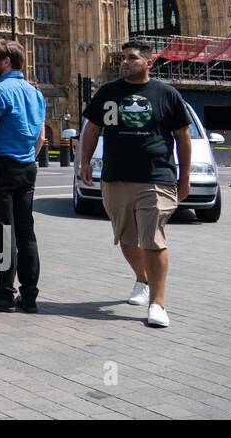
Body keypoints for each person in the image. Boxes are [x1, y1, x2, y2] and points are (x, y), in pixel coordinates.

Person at [79, 39, 191, 328]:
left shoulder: (166, 94)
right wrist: (85, 162)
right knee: (127, 239)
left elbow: (182, 136)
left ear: (148, 62)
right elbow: (92, 128)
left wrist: (185, 177)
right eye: (122, 58)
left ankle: (158, 303)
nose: (124, 62)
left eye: (131, 58)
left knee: (153, 238)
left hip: (156, 176)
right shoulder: (108, 93)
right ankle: (141, 279)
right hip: (116, 176)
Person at [0, 39, 46, 313]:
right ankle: (29, 296)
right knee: (26, 233)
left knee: (2, 233)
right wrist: (28, 157)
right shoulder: (35, 93)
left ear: (6, 62)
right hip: (27, 168)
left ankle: (3, 292)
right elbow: (40, 138)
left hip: (1, 168)